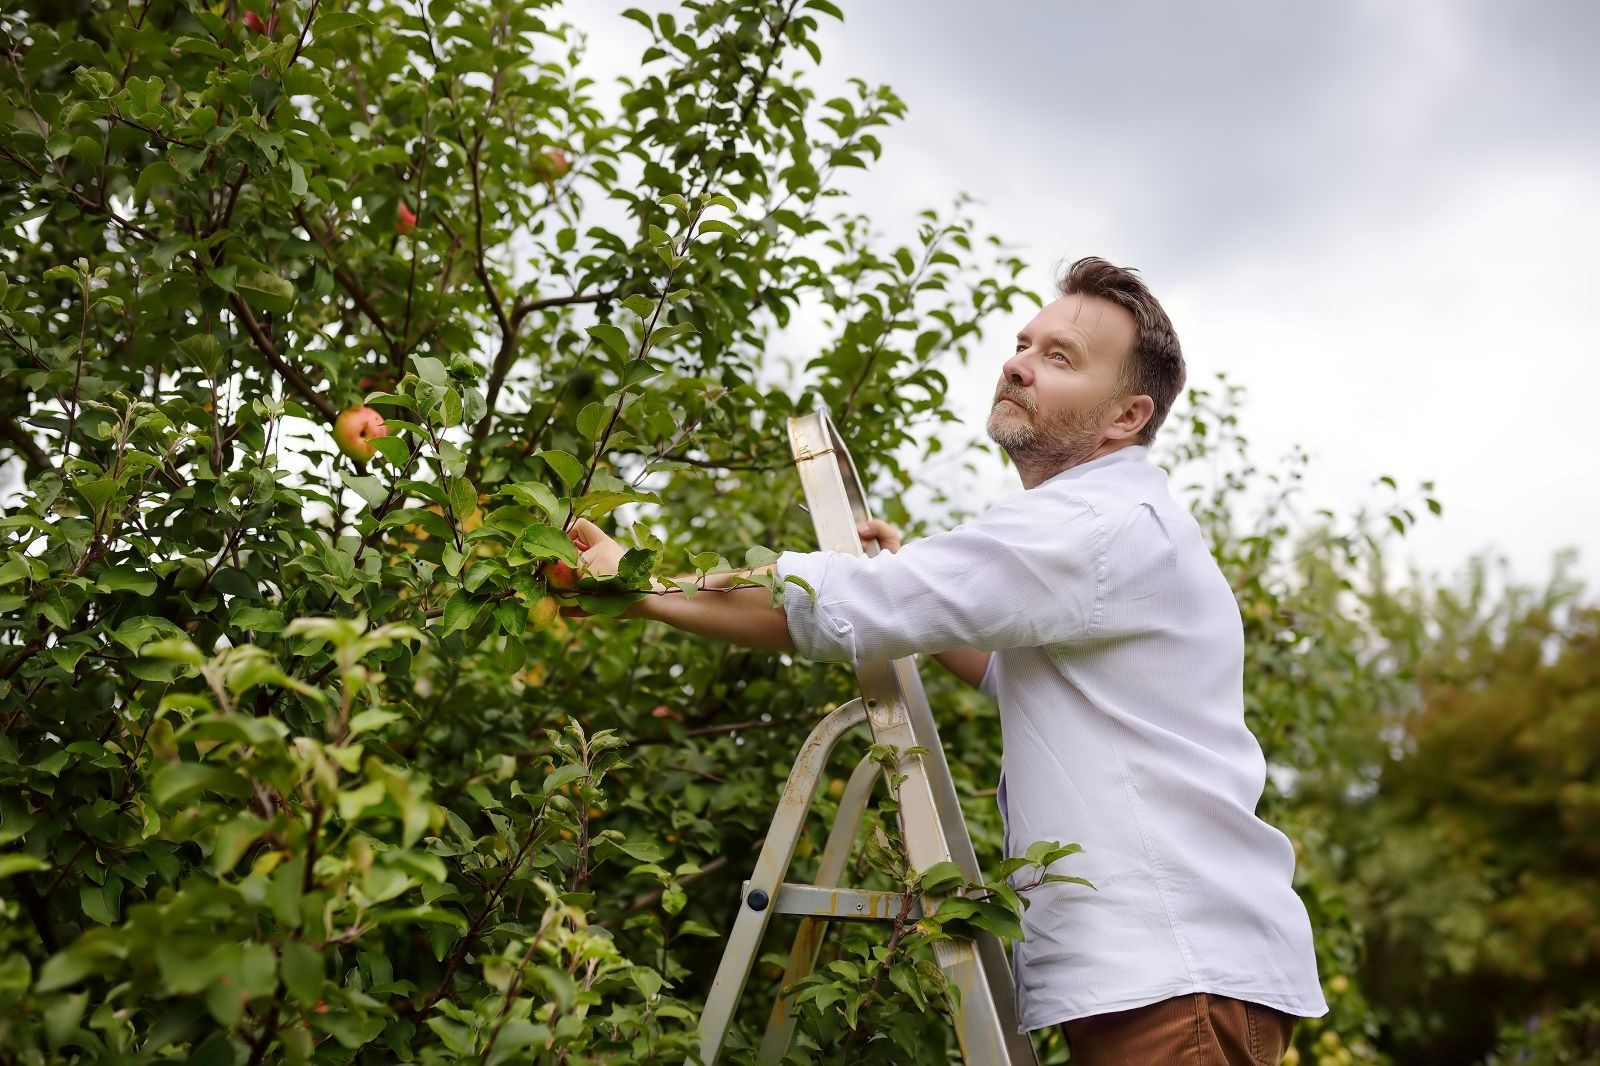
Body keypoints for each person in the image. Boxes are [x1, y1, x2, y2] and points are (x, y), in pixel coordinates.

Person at [568, 256, 1327, 1064]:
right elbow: (1027, 678)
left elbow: (837, 606)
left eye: (1060, 358)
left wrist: (641, 584)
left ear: (1125, 416)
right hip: (1173, 975)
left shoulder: (1096, 525)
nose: (1018, 362)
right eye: (1024, 344)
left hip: (1175, 987)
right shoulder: (1114, 526)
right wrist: (919, 601)